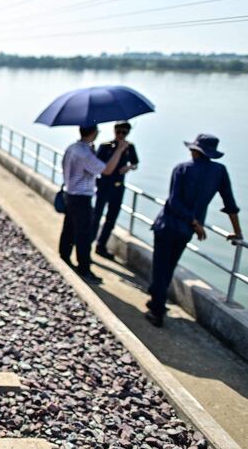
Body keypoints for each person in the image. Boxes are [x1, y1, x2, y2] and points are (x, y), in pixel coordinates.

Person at [146, 134, 242, 327]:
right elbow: (230, 203)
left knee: (160, 267)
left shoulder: (182, 168)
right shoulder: (220, 171)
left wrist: (193, 221)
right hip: (186, 231)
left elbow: (174, 202)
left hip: (167, 225)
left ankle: (156, 309)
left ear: (195, 151)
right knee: (169, 266)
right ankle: (157, 300)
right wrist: (237, 232)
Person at [59, 125, 128, 284]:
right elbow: (107, 170)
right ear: (94, 133)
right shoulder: (84, 153)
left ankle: (64, 256)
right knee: (83, 235)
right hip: (81, 197)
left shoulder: (72, 148)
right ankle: (84, 269)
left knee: (69, 228)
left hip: (70, 193)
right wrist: (119, 150)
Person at [91, 121, 140, 259]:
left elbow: (135, 163)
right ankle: (88, 242)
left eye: (124, 132)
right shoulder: (106, 146)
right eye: (118, 132)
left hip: (118, 186)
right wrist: (118, 151)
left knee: (111, 218)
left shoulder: (129, 147)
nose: (120, 135)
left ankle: (101, 246)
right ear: (114, 131)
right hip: (104, 185)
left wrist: (128, 167)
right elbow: (99, 166)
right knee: (96, 215)